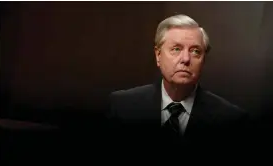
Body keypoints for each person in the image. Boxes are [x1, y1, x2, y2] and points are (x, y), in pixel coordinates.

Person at [105, 14, 250, 158]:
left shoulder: (230, 121)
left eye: (195, 51)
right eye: (176, 49)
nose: (186, 59)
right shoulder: (122, 107)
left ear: (204, 60)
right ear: (158, 55)